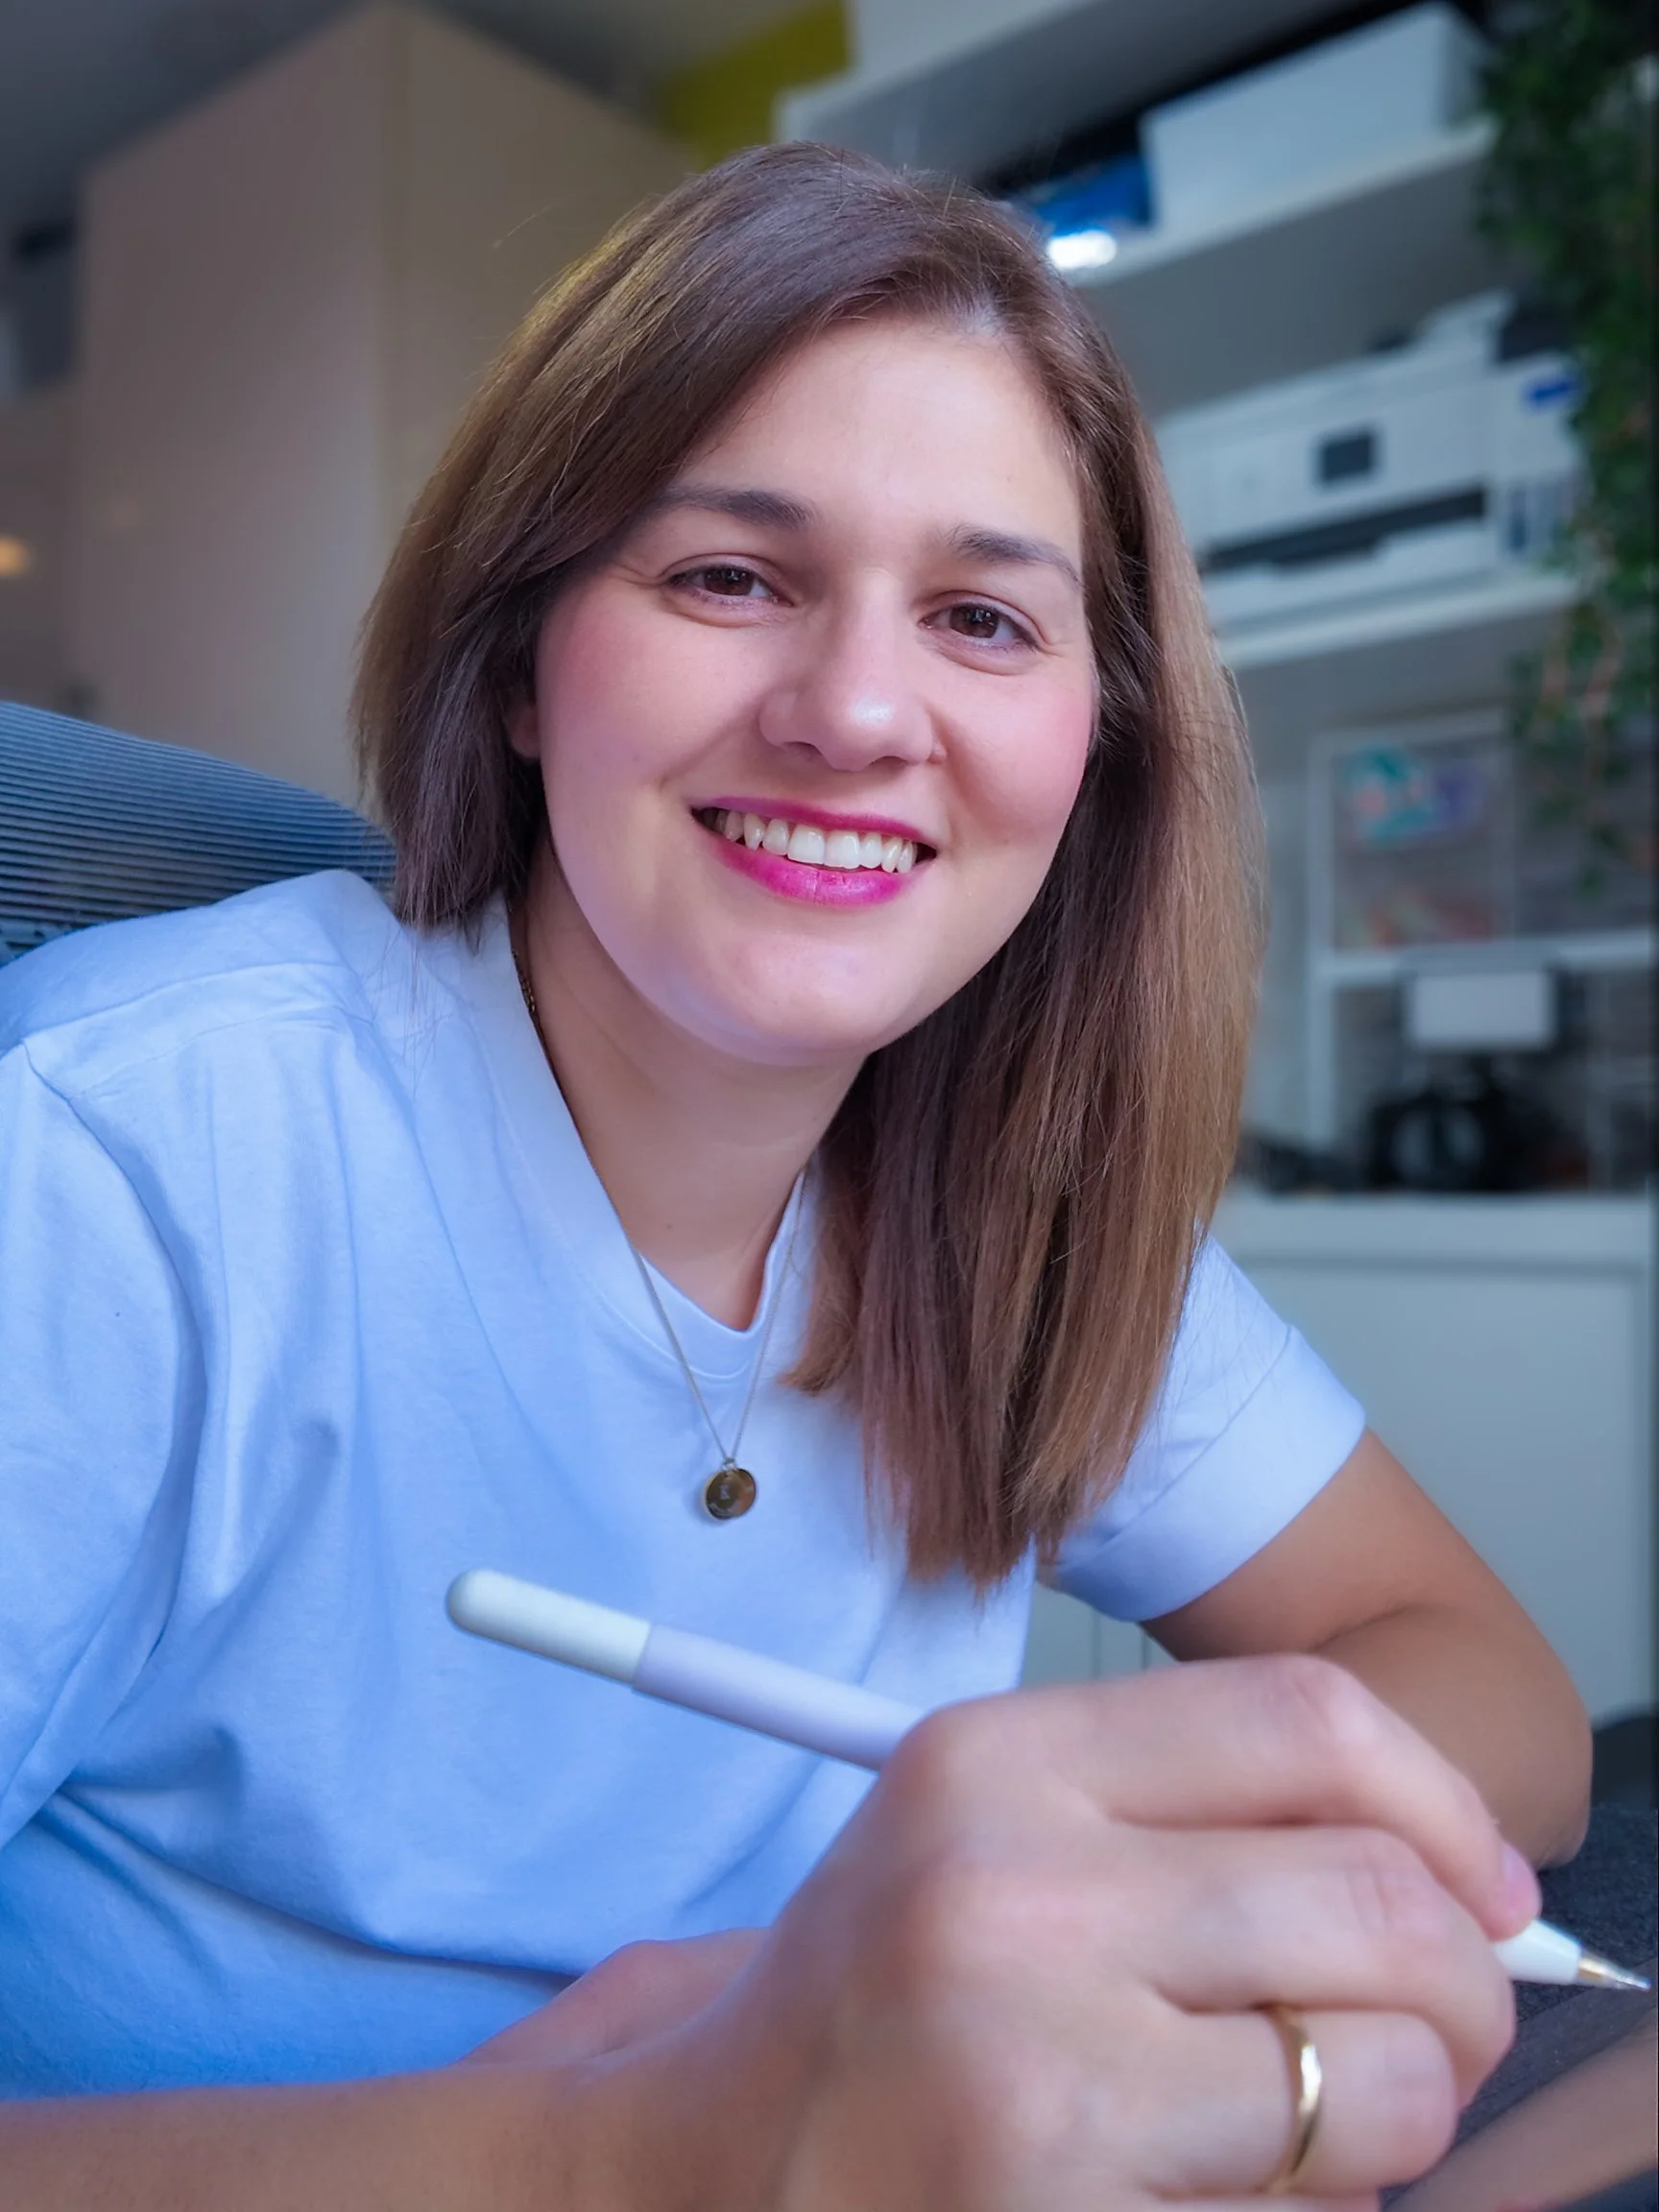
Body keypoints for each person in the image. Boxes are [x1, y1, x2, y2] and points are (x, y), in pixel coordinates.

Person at [0, 144, 1589, 2203]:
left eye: (982, 618)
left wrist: (1060, 1904)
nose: (856, 710)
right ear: (515, 663)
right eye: (728, 575)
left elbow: (1498, 1694)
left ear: (1092, 750)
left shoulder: (1016, 1199)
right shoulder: (119, 1157)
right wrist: (663, 2133)